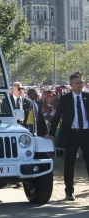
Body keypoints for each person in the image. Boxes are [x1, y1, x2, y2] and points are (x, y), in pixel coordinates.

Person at [47, 73, 89, 201]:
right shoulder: (65, 99)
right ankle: (69, 191)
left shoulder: (87, 97)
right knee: (69, 163)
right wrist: (51, 134)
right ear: (71, 85)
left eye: (81, 82)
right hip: (71, 134)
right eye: (77, 83)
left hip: (86, 133)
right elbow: (57, 116)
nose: (80, 85)